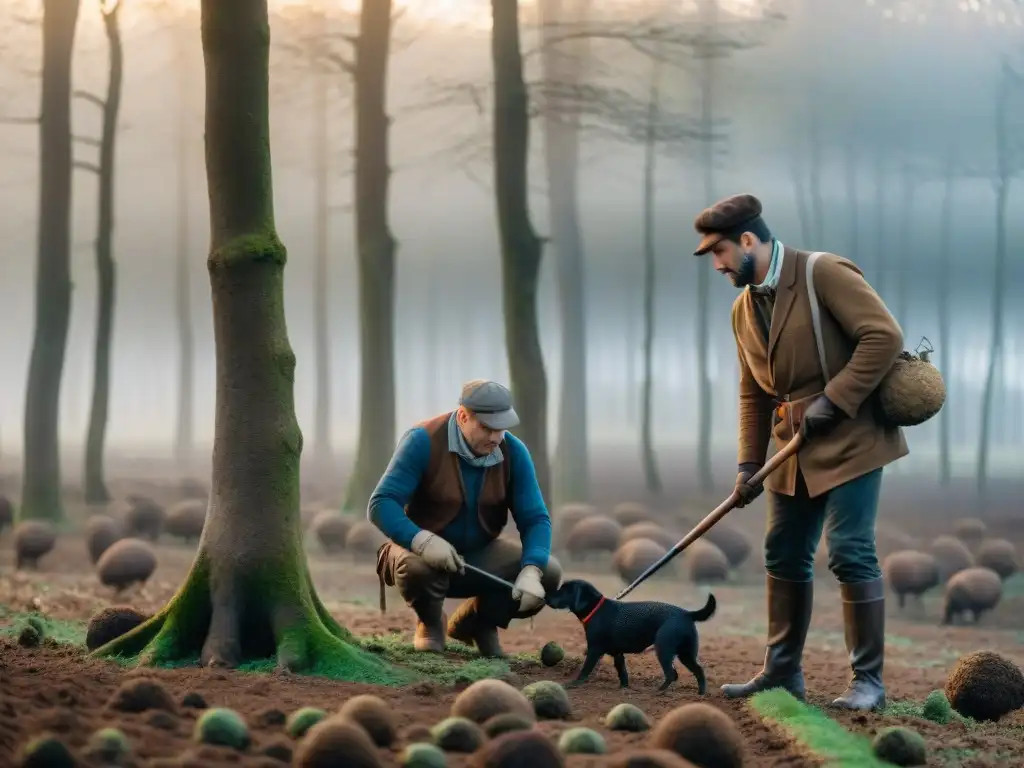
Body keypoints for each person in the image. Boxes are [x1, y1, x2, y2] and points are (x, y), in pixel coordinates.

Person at [693, 193, 908, 712]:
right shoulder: (743, 309)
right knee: (782, 552)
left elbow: (883, 336)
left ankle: (868, 684)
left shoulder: (822, 273)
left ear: (748, 240)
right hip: (791, 448)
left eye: (720, 253)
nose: (717, 265)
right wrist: (748, 465)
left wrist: (834, 400)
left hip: (853, 437)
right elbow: (753, 391)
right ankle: (782, 672)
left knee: (850, 550)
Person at [368, 379, 561, 658]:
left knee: (549, 572)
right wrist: (420, 540)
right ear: (462, 416)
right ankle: (431, 623)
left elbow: (535, 519)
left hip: (481, 554)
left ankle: (477, 622)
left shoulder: (514, 452)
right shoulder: (422, 440)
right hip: (420, 553)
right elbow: (381, 503)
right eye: (486, 427)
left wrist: (532, 571)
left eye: (501, 428)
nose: (495, 437)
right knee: (416, 569)